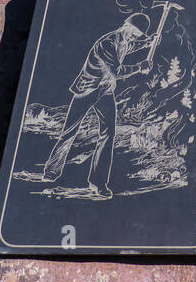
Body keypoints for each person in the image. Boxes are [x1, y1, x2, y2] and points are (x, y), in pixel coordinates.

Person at [39, 13, 153, 199]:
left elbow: (129, 47)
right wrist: (140, 67)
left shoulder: (124, 41)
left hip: (105, 91)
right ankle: (51, 172)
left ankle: (98, 183)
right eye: (133, 33)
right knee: (70, 131)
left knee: (108, 132)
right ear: (126, 26)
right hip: (87, 89)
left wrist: (148, 42)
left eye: (137, 36)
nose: (133, 37)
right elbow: (117, 70)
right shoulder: (106, 43)